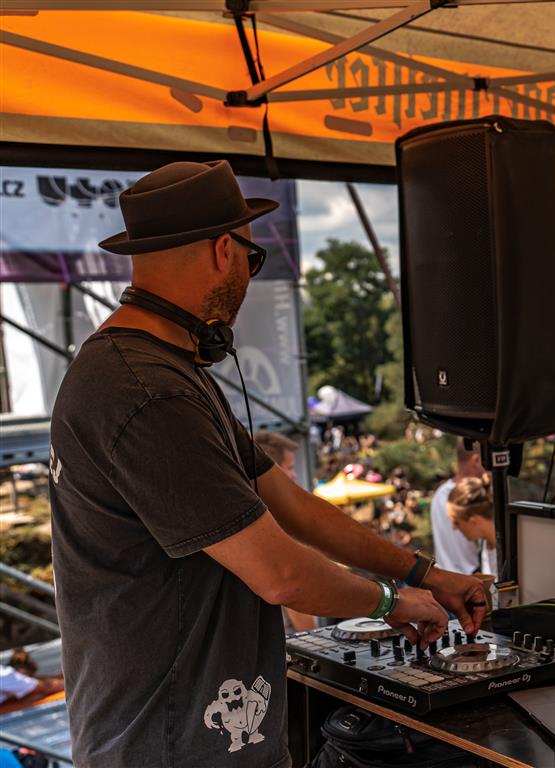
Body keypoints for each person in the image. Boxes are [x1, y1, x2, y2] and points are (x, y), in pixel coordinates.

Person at [48, 161, 487, 768]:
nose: (250, 279)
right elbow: (279, 574)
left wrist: (425, 575)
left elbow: (287, 503)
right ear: (225, 250)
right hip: (174, 744)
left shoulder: (160, 371)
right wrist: (390, 602)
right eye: (252, 260)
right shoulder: (149, 393)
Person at [253, 431, 316, 634]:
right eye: (290, 467)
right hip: (287, 650)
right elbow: (294, 592)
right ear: (272, 469)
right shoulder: (274, 524)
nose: (294, 475)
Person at [431, 438, 486, 574]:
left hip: (445, 581)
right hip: (470, 583)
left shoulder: (440, 493)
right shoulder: (468, 499)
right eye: (488, 463)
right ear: (477, 460)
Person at [446, 477, 498, 576]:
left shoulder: (512, 551)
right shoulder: (484, 547)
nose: (454, 527)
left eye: (456, 522)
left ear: (475, 521)